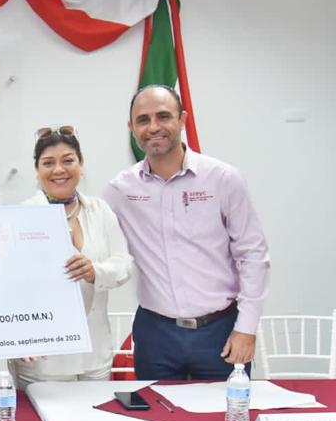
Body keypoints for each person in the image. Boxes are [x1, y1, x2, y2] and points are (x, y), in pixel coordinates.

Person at [104, 84, 270, 380]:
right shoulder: (120, 190)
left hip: (220, 331)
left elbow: (253, 254)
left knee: (224, 408)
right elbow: (87, 230)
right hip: (155, 335)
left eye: (163, 116)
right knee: (153, 410)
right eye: (143, 120)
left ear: (182, 119)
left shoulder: (223, 179)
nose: (153, 127)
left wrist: (246, 328)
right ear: (132, 128)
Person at [7, 127, 133, 386]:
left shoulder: (100, 210)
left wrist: (96, 271)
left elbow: (124, 264)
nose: (59, 170)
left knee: (95, 413)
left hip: (94, 356)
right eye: (48, 163)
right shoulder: (22, 216)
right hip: (43, 358)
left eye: (68, 160)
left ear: (81, 164)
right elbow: (9, 285)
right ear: (37, 170)